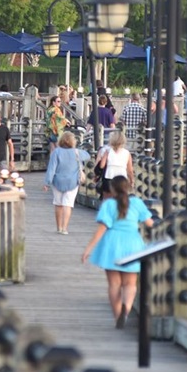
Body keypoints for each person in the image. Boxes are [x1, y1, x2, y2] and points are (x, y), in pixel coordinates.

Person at [81, 176, 156, 328]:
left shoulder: (108, 205)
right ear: (128, 187)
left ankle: (117, 316)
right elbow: (150, 224)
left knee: (114, 284)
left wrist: (88, 248)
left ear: (112, 189)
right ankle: (126, 309)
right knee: (130, 284)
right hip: (133, 244)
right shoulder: (136, 203)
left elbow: (102, 229)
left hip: (112, 245)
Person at [43, 131, 90, 235]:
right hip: (72, 181)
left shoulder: (56, 152)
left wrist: (47, 182)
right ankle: (65, 228)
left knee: (58, 204)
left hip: (57, 181)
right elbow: (88, 155)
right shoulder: (77, 152)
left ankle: (59, 227)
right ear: (73, 141)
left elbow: (51, 169)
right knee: (68, 204)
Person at [96, 131, 132, 198]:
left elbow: (101, 165)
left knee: (107, 199)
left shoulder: (108, 151)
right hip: (122, 178)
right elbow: (130, 170)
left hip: (109, 177)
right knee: (120, 199)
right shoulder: (127, 153)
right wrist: (132, 181)